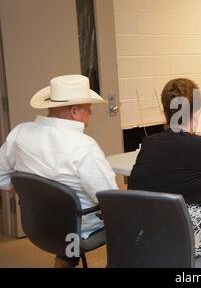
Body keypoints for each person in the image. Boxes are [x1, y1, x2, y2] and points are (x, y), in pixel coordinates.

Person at [0, 74, 118, 267]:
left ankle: (64, 260)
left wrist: (34, 191)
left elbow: (1, 177)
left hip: (38, 224)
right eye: (89, 109)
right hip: (78, 230)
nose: (91, 114)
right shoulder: (83, 146)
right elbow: (110, 199)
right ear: (74, 111)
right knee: (135, 220)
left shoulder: (20, 133)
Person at [128, 78, 201, 264]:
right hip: (193, 240)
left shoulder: (148, 144)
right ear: (196, 113)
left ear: (164, 113)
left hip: (153, 236)